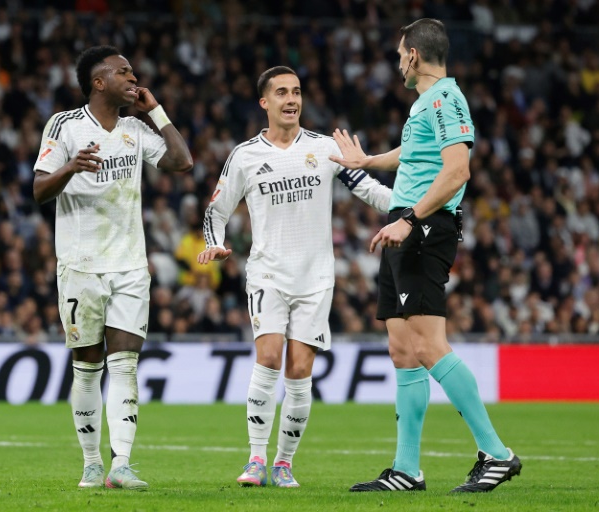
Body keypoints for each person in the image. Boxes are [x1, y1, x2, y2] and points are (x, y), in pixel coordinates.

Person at [329, 19, 522, 493]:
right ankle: (406, 469)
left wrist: (410, 220)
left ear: (413, 55)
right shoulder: (427, 103)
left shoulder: (445, 99)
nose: (399, 63)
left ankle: (497, 453)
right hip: (406, 224)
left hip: (423, 226)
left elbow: (457, 171)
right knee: (402, 350)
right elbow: (417, 154)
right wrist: (369, 162)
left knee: (429, 346)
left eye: (400, 54)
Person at [198, 66, 391, 488]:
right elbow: (217, 209)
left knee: (300, 370)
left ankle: (283, 463)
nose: (292, 100)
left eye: (297, 92)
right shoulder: (245, 155)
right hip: (268, 273)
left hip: (315, 278)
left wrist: (414, 207)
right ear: (264, 102)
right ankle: (255, 459)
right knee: (268, 357)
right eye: (282, 92)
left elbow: (370, 189)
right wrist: (215, 242)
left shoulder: (324, 148)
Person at [33, 45, 192, 490]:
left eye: (134, 72)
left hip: (129, 265)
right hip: (81, 265)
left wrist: (156, 111)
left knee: (124, 365)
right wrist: (71, 167)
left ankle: (121, 464)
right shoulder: (65, 125)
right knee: (87, 365)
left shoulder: (134, 130)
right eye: (123, 72)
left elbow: (182, 162)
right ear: (98, 82)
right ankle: (91, 462)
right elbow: (40, 190)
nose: (133, 78)